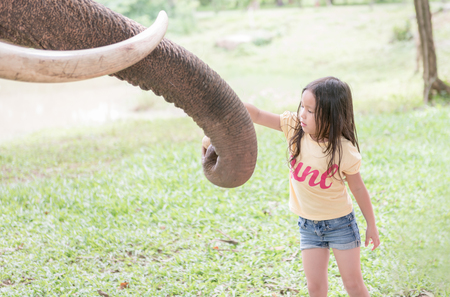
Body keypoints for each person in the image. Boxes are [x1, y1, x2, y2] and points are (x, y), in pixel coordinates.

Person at [204, 76, 380, 296]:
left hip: (340, 225)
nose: (302, 114)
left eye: (310, 110)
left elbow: (359, 189)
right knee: (315, 288)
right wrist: (232, 107)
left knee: (353, 284)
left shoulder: (343, 150)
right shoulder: (294, 128)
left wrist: (371, 225)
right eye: (302, 106)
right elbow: (257, 114)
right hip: (308, 226)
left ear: (331, 115)